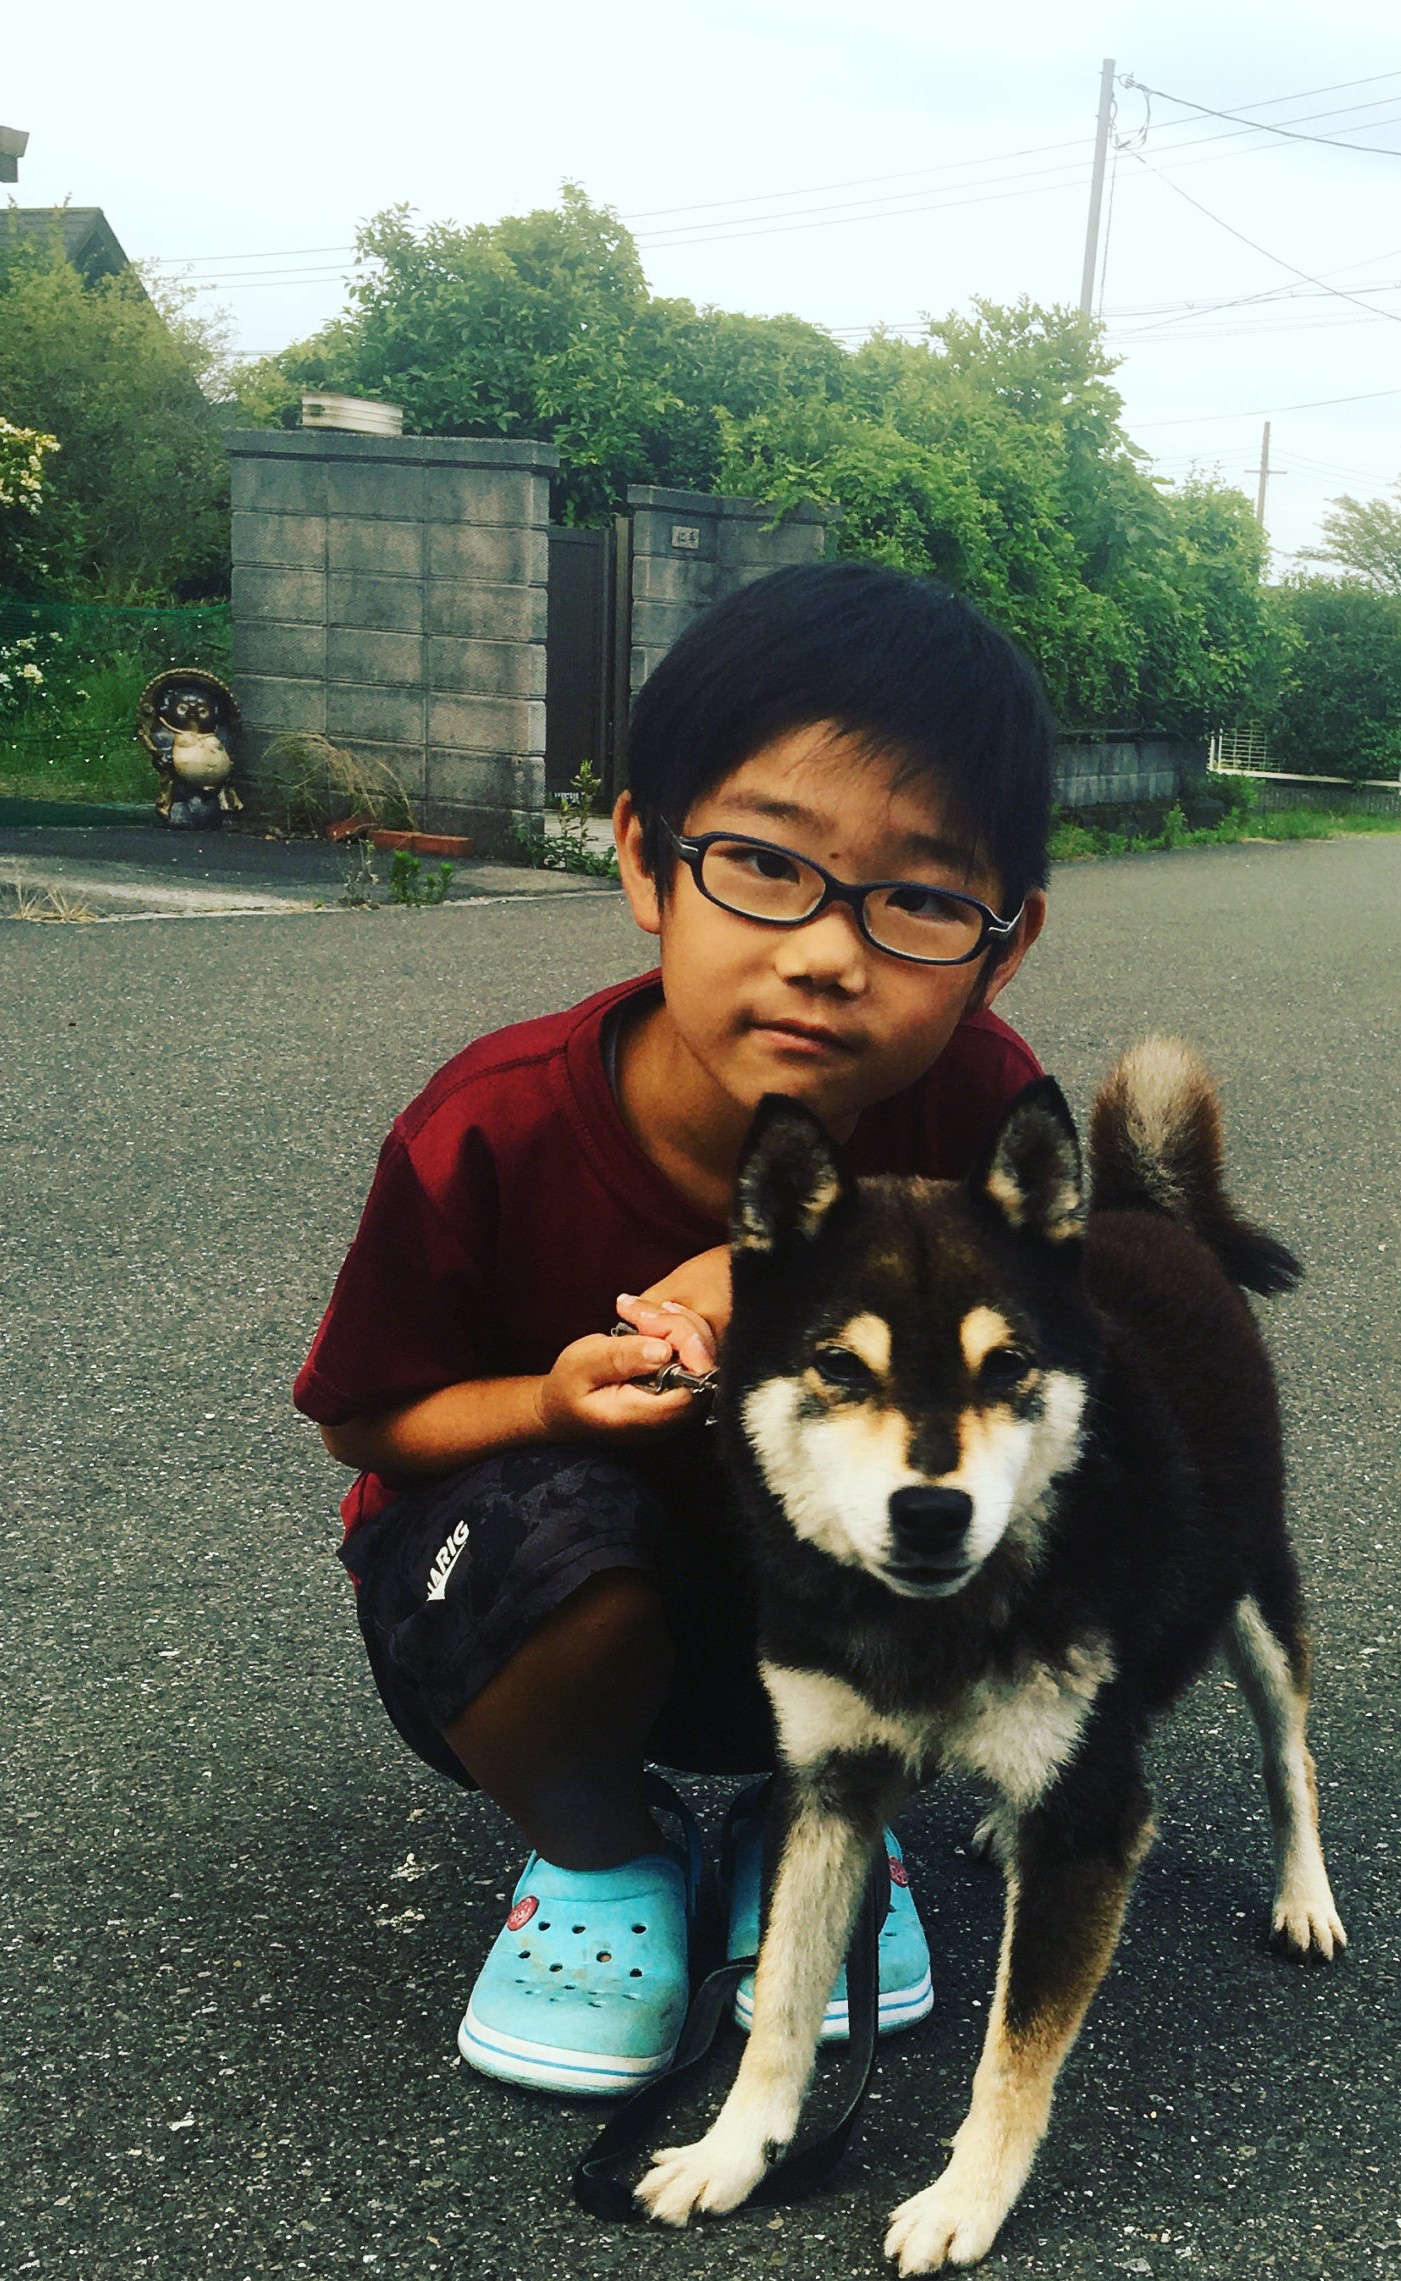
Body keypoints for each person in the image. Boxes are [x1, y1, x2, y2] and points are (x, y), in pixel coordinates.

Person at [292, 561, 1054, 2095]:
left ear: (1003, 945)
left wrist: (769, 1272)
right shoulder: (490, 1129)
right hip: (556, 1615)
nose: (828, 951)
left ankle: (823, 1821)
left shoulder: (983, 1102)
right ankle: (597, 1861)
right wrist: (547, 1404)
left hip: (835, 1608)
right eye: (765, 864)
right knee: (552, 1526)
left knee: (1010, 1465)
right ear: (645, 859)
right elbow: (366, 1422)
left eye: (919, 898)